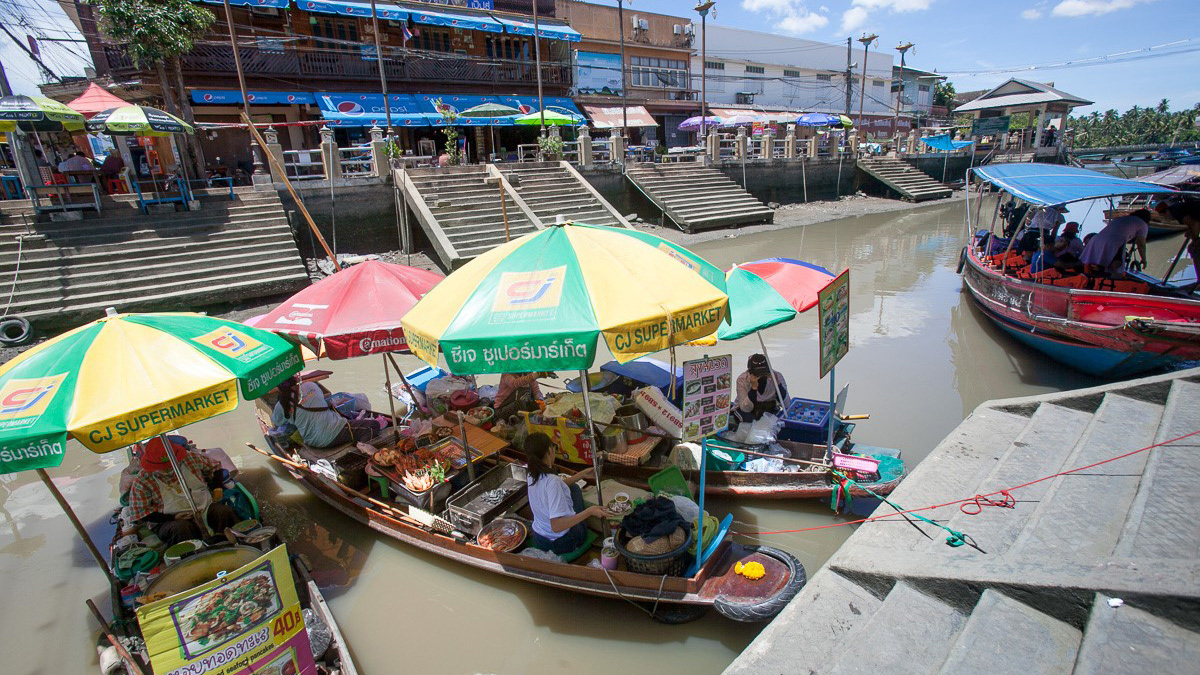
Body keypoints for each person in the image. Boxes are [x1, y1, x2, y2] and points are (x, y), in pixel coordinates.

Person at [125, 436, 239, 546]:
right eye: (163, 467)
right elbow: (140, 513)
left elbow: (216, 468)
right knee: (182, 529)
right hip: (169, 519)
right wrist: (173, 517)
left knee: (224, 512)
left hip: (204, 506)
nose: (169, 469)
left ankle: (233, 544)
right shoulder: (143, 480)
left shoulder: (191, 458)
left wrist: (217, 488)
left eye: (170, 465)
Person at [524, 432, 609, 555]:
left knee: (573, 488)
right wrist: (590, 511)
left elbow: (558, 486)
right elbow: (556, 526)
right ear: (550, 450)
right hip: (563, 542)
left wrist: (581, 474)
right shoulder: (552, 481)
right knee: (576, 492)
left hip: (540, 539)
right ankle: (581, 530)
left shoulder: (531, 474)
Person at [271, 375, 382, 448]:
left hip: (312, 441)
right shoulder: (310, 385)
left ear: (278, 389)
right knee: (373, 425)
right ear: (295, 379)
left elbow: (277, 422)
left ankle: (355, 442)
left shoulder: (280, 405)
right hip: (334, 432)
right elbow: (319, 399)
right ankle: (361, 451)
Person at [1081, 209, 1150, 276]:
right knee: (1116, 265)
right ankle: (1113, 281)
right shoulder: (1142, 224)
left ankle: (1091, 278)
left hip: (1096, 239)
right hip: (1113, 241)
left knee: (1096, 262)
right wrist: (1143, 259)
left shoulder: (1121, 218)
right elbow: (1141, 243)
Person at [734, 354, 788, 425]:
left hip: (769, 408)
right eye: (757, 372)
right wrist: (753, 388)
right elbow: (745, 409)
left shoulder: (777, 376)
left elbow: (786, 404)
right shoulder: (742, 379)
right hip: (747, 409)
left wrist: (778, 385)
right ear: (750, 371)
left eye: (763, 371)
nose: (761, 375)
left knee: (779, 421)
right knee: (749, 421)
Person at [1168, 201, 1200, 287]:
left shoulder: (1176, 212)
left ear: (1167, 212)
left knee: (1195, 249)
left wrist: (1195, 241)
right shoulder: (1181, 208)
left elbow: (1194, 223)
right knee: (1194, 249)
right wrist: (1191, 232)